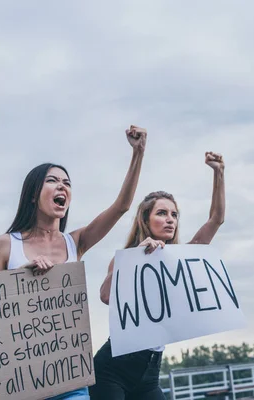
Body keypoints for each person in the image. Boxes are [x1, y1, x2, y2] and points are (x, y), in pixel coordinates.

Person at [0, 126, 147, 399]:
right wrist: (21, 277)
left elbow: (122, 206)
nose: (62, 186)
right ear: (33, 194)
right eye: (52, 180)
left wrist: (138, 153)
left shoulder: (76, 242)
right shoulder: (5, 244)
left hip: (68, 379)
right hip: (17, 381)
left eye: (67, 183)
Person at [90, 152, 225, 400]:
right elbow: (106, 295)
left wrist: (219, 173)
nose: (170, 219)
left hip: (150, 372)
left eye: (174, 214)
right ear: (145, 219)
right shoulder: (128, 256)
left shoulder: (180, 257)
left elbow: (216, 219)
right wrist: (138, 256)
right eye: (162, 213)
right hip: (112, 369)